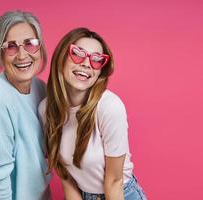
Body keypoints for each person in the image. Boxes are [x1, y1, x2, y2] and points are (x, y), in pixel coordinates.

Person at [38, 27, 147, 200]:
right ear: (61, 58)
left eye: (96, 60)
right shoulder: (46, 109)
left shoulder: (109, 107)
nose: (86, 64)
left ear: (100, 71)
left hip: (120, 194)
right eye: (78, 54)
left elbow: (114, 181)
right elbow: (66, 177)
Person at [0, 11, 51, 200]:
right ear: (0, 52)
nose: (22, 55)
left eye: (30, 43)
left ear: (40, 47)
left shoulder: (41, 89)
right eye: (11, 47)